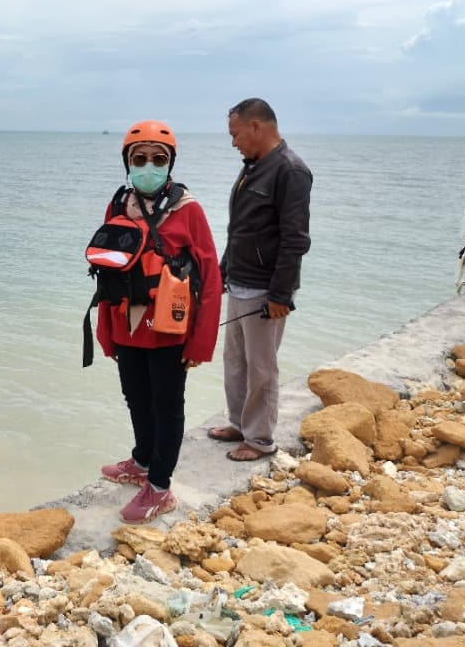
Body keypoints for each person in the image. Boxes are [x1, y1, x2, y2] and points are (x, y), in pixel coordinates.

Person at [91, 120, 222, 524]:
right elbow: (106, 272)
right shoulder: (118, 206)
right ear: (127, 163)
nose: (148, 166)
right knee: (135, 397)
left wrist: (200, 344)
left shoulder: (189, 210)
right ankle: (143, 460)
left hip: (169, 331)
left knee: (167, 406)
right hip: (126, 326)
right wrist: (106, 333)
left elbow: (211, 277)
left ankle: (160, 488)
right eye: (140, 159)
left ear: (171, 164)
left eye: (158, 159)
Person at [209, 98, 312, 461]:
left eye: (236, 134)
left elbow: (295, 239)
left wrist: (281, 293)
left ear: (256, 126)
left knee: (262, 368)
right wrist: (223, 270)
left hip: (266, 289)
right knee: (234, 360)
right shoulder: (253, 167)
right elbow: (240, 229)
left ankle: (260, 440)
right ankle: (239, 424)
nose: (234, 142)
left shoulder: (290, 171)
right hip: (239, 281)